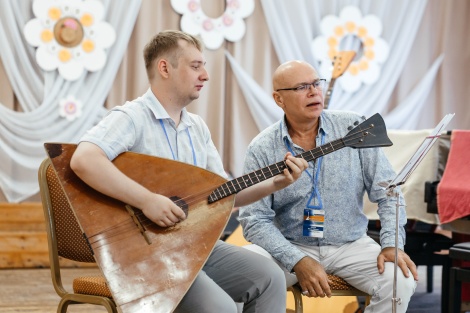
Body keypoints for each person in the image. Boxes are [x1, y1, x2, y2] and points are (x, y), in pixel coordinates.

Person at [70, 30, 308, 313]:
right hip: (145, 255)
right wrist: (146, 200)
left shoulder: (197, 127)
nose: (205, 75)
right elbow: (83, 160)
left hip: (195, 246)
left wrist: (275, 183)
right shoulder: (131, 117)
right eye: (196, 66)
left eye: (204, 66)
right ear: (165, 68)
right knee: (221, 308)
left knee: (270, 276)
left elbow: (222, 193)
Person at [238, 60, 418, 313]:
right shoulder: (262, 147)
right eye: (301, 87)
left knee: (400, 280)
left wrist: (392, 244)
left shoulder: (353, 127)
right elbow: (254, 218)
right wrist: (296, 259)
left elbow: (389, 193)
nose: (314, 92)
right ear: (279, 99)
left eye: (316, 83)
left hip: (351, 244)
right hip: (288, 244)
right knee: (241, 276)